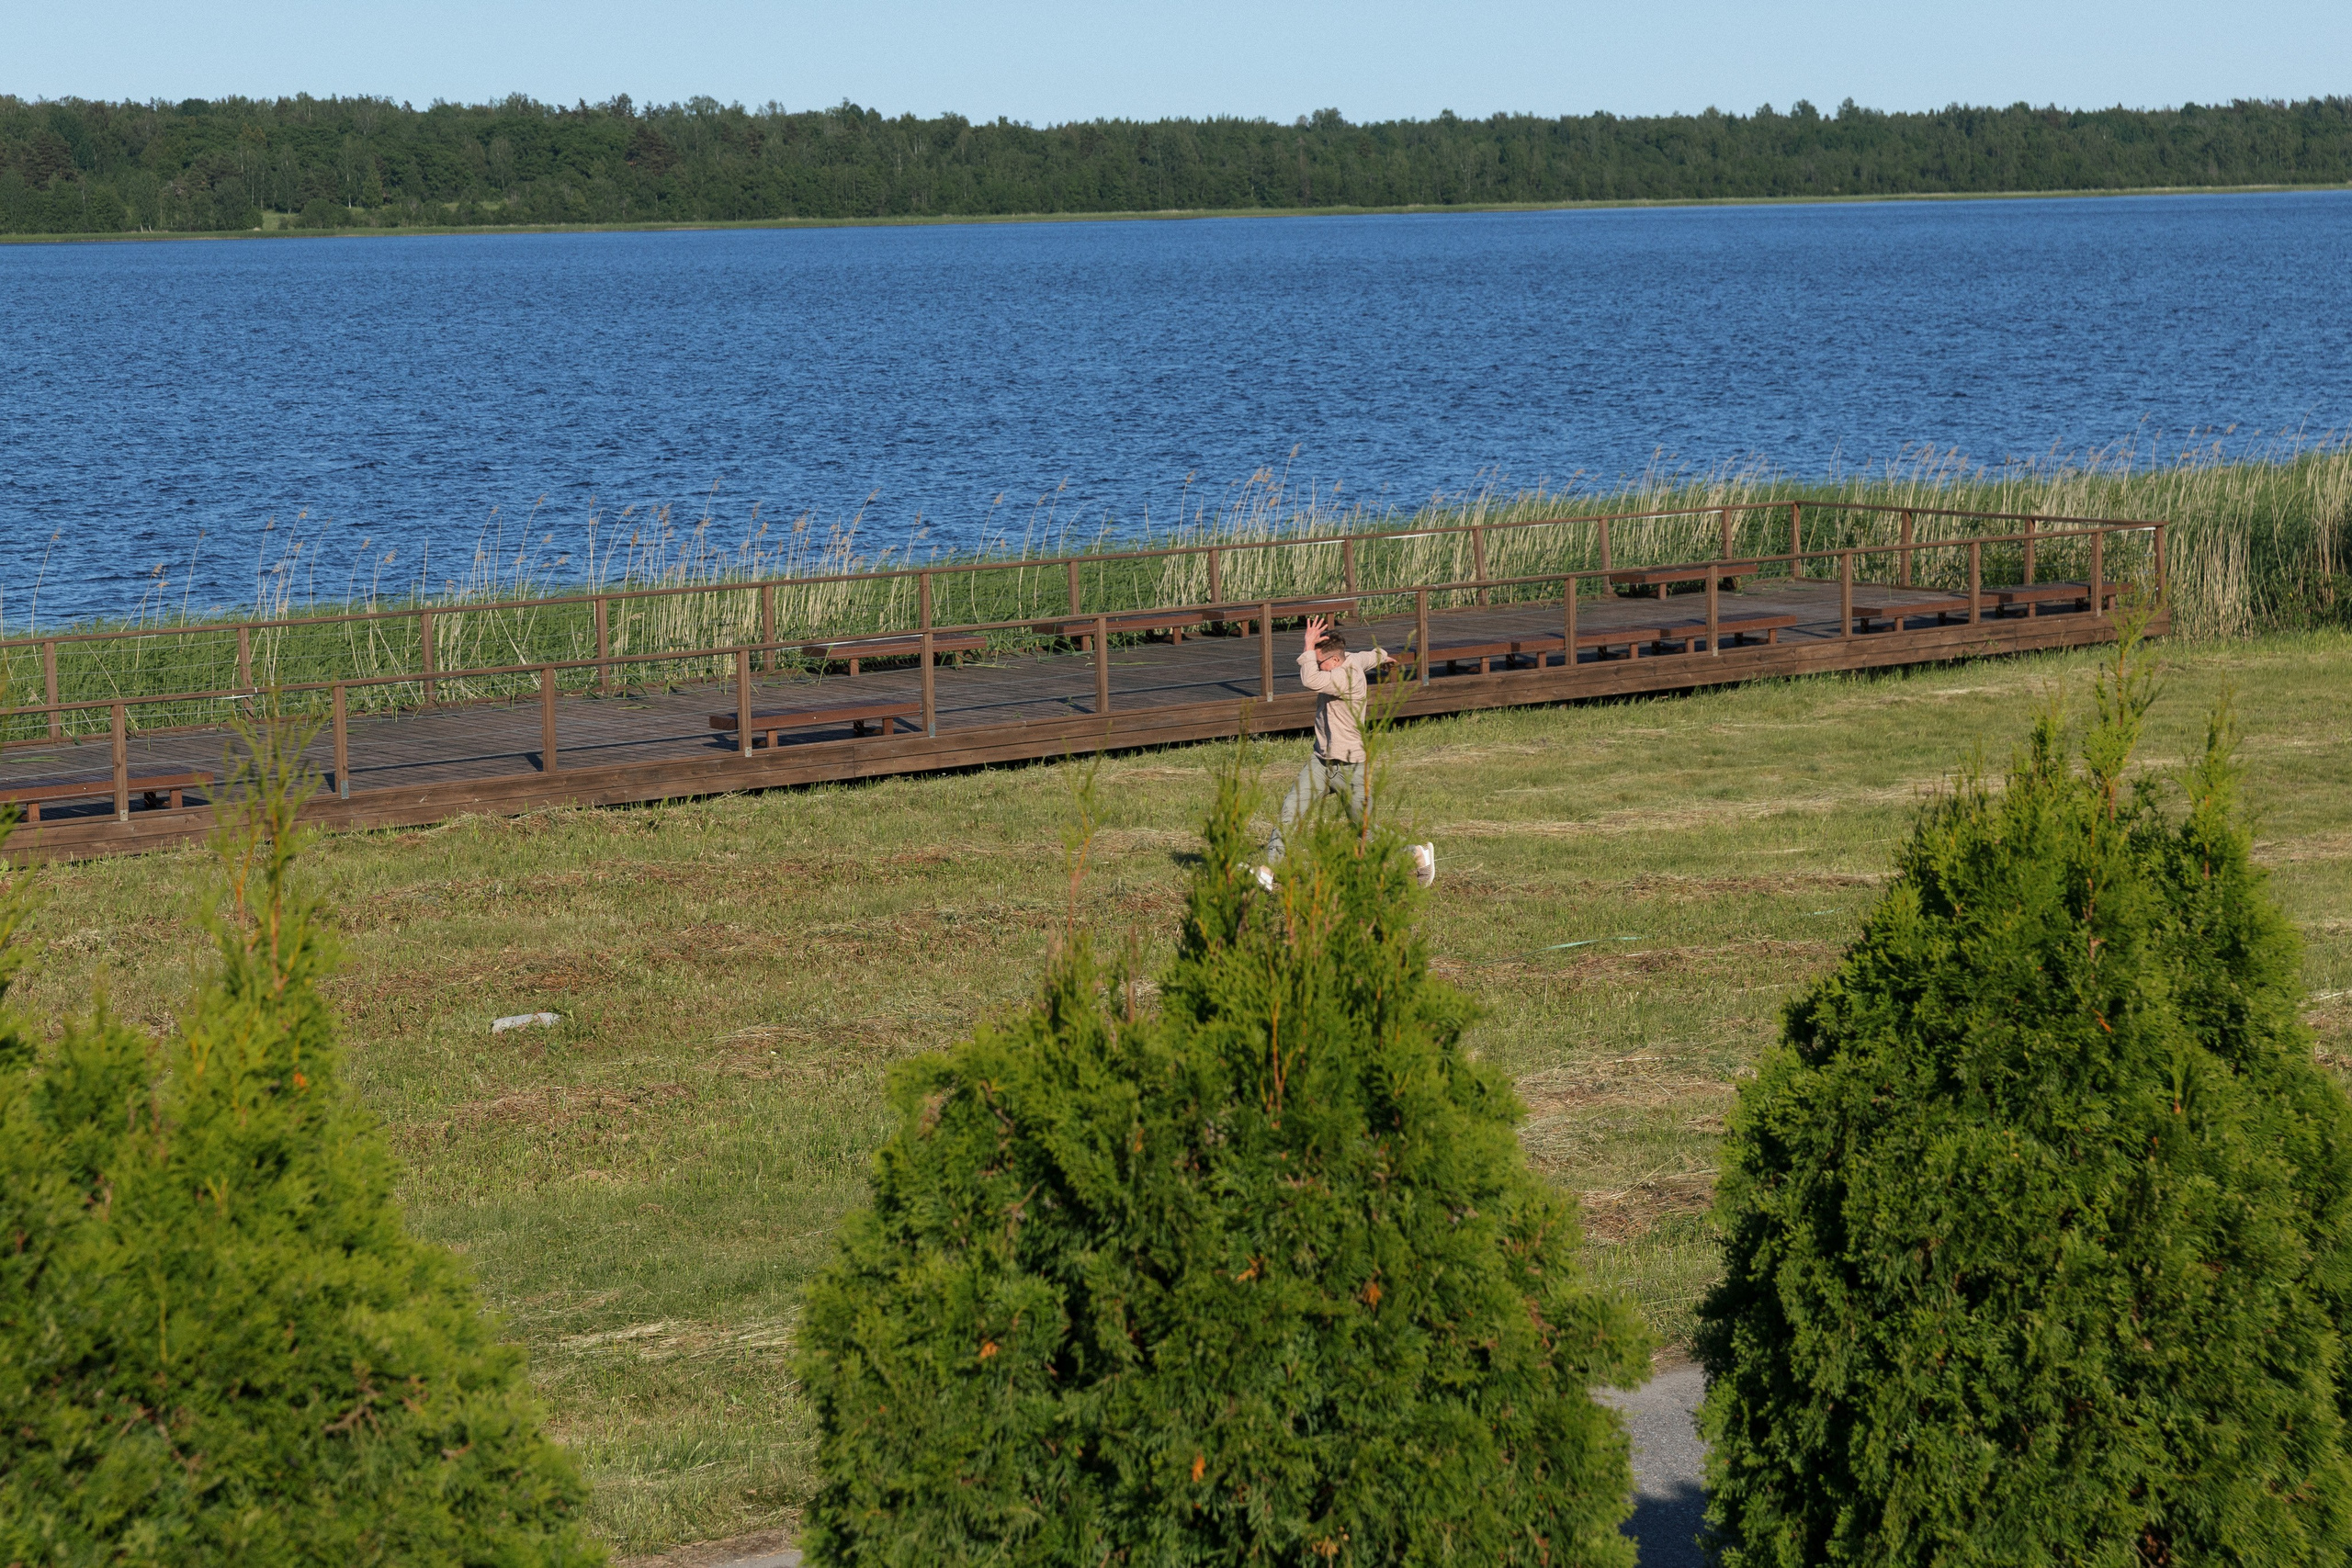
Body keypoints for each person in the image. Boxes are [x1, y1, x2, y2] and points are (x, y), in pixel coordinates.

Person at [1256, 615, 1437, 889]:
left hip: (1351, 768)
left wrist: (1307, 646)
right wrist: (1383, 656)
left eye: (1322, 662)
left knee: (1367, 835)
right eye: (1318, 661)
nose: (1318, 665)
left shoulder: (1345, 677)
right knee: (1289, 811)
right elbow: (1366, 655)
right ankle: (1269, 872)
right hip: (1321, 763)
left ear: (1336, 662)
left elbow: (1310, 680)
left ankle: (1417, 853)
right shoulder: (1349, 660)